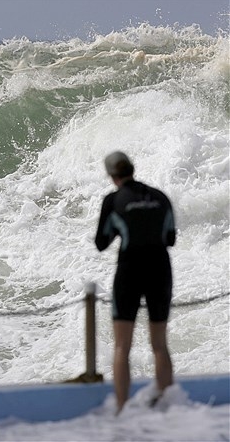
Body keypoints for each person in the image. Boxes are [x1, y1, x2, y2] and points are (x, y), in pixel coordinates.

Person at [95, 151, 176, 415]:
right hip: (160, 270)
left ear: (112, 175)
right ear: (132, 169)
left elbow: (101, 242)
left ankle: (121, 409)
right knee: (159, 344)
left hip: (130, 272)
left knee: (122, 346)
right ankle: (167, 405)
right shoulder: (160, 197)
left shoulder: (114, 200)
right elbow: (170, 238)